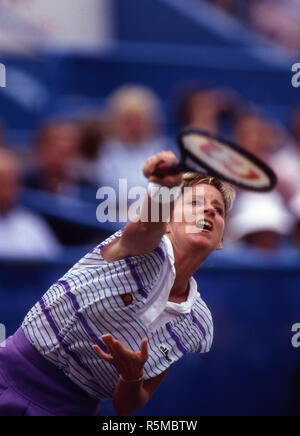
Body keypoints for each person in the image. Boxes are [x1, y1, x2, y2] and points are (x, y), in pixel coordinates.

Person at [0, 150, 235, 416]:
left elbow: (127, 405)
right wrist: (164, 189)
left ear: (221, 241)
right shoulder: (146, 248)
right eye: (196, 203)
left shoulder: (197, 322)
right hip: (11, 377)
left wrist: (132, 378)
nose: (209, 211)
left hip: (75, 409)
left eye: (218, 210)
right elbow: (147, 227)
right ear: (168, 221)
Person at [0, 148, 60, 258]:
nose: (7, 189)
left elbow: (54, 268)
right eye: (2, 182)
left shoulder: (31, 224)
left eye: (12, 182)